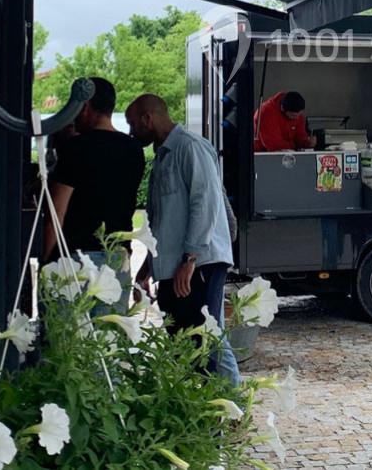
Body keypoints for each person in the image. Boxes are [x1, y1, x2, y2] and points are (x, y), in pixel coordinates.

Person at [127, 93, 240, 384]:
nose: (130, 132)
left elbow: (205, 204)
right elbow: (162, 218)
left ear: (147, 119)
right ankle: (214, 406)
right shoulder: (164, 156)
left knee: (204, 338)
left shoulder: (191, 148)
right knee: (185, 338)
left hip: (198, 262)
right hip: (178, 263)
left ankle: (226, 408)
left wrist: (190, 258)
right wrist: (150, 265)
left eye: (132, 124)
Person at [42, 77, 145, 263]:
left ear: (85, 106)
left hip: (76, 256)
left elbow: (56, 212)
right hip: (117, 254)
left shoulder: (75, 148)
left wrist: (47, 259)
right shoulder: (134, 150)